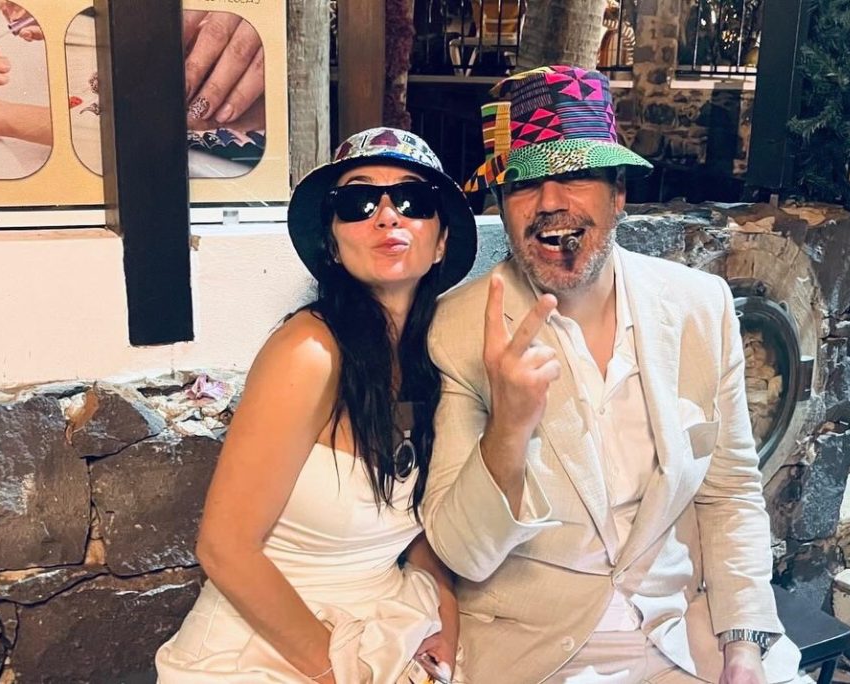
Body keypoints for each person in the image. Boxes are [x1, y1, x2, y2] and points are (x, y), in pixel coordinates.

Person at [422, 65, 803, 683]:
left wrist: (743, 646)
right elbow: (463, 553)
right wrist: (508, 430)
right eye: (525, 183)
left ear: (618, 193)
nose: (550, 202)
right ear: (503, 208)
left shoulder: (699, 307)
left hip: (682, 636)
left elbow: (730, 493)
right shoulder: (460, 328)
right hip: (539, 653)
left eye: (574, 176)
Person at [156, 127, 478, 684]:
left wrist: (446, 620)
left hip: (387, 626)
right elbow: (225, 547)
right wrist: (339, 674)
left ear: (441, 241)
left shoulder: (435, 357)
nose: (387, 216)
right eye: (358, 202)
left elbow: (419, 529)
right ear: (331, 243)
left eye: (412, 200)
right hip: (270, 649)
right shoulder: (308, 354)